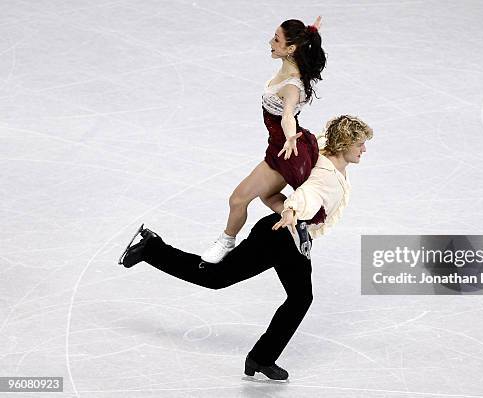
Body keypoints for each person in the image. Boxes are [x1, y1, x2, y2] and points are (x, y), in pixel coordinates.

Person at [118, 115, 373, 380]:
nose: (364, 150)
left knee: (299, 298)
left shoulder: (328, 154)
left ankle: (261, 358)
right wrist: (292, 210)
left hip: (291, 237)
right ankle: (150, 248)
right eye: (360, 145)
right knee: (217, 279)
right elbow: (308, 196)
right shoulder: (325, 175)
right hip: (278, 237)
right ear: (343, 145)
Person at [201, 17, 327, 263]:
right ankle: (298, 224)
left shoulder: (291, 85)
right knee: (268, 196)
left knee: (238, 199)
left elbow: (288, 114)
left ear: (291, 49)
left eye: (276, 39)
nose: (271, 42)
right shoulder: (292, 67)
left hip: (285, 152)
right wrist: (309, 34)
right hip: (282, 147)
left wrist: (290, 136)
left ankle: (226, 241)